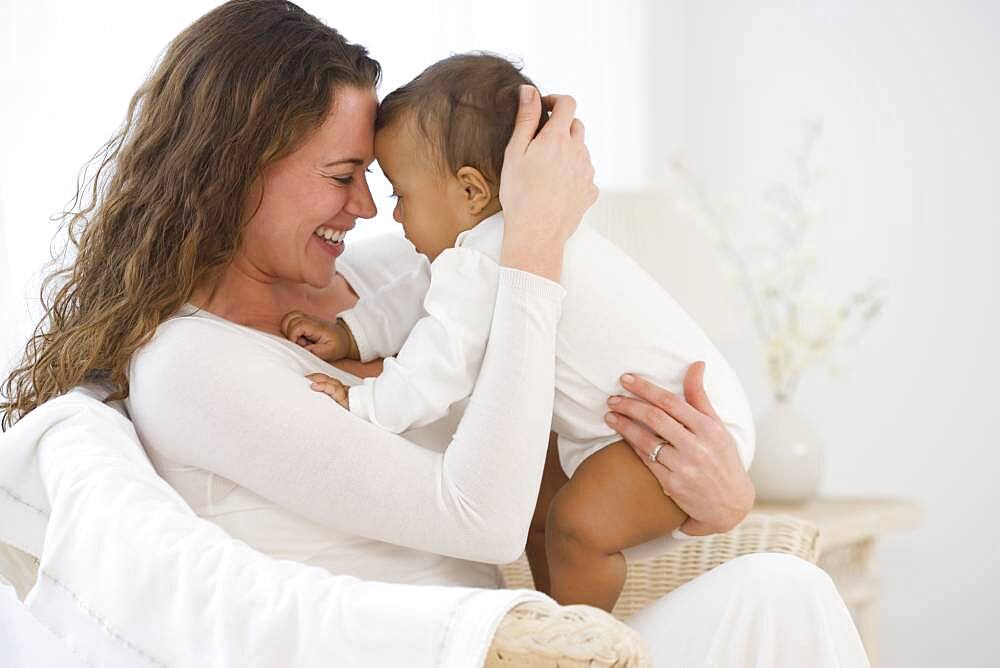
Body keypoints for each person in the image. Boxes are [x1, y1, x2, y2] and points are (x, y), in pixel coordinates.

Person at [0, 2, 869, 665]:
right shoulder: (192, 366)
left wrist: (711, 506)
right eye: (343, 176)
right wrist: (531, 247)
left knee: (781, 591)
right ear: (232, 172)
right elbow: (484, 520)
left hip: (532, 640)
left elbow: (555, 452)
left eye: (377, 179)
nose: (370, 207)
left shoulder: (395, 275)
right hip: (448, 651)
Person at [276, 53, 756, 612]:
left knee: (577, 528)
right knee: (537, 513)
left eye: (401, 192)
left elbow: (439, 362)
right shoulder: (491, 248)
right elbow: (418, 298)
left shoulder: (492, 253)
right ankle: (556, 623)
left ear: (472, 192)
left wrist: (366, 403)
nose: (393, 214)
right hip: (638, 428)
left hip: (678, 430)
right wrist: (351, 335)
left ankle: (581, 644)